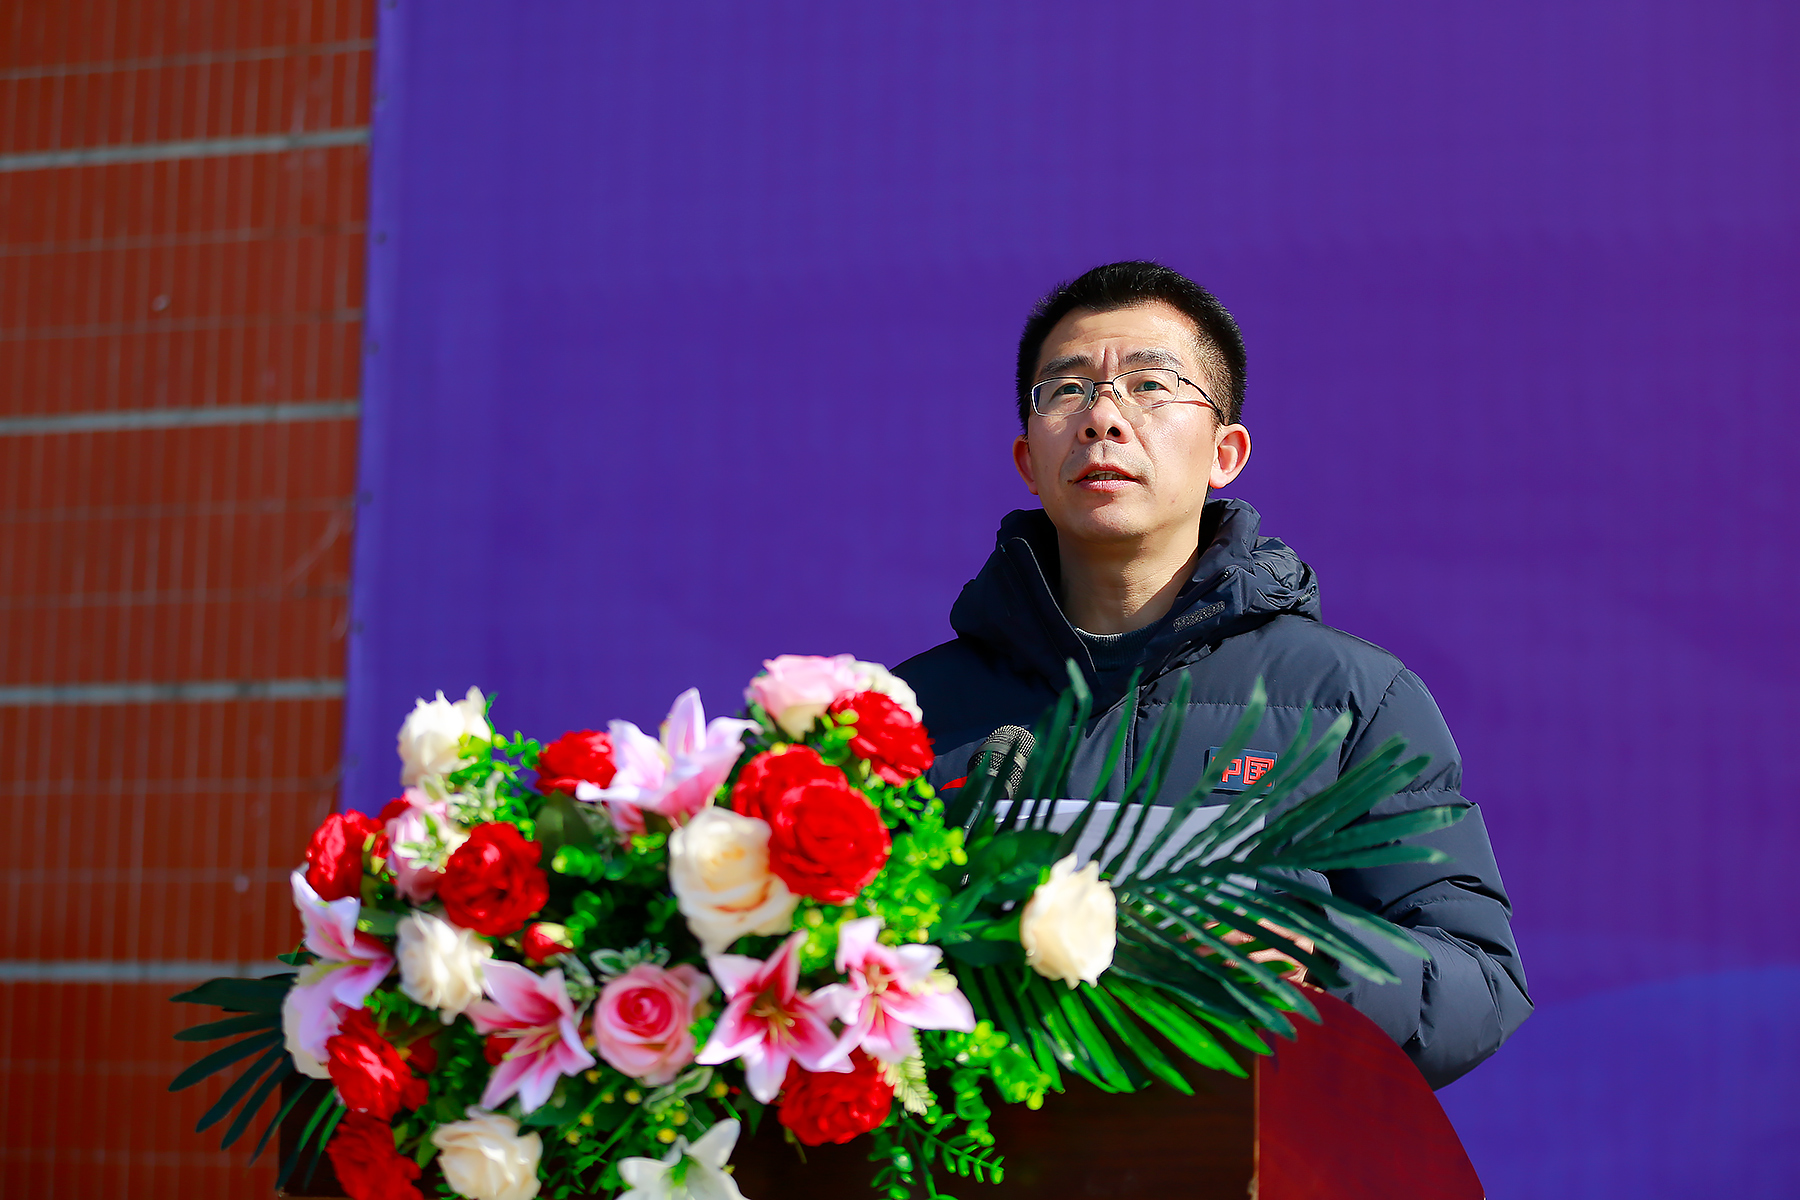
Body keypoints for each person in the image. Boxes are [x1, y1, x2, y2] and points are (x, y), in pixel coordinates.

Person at [894, 261, 1529, 1088]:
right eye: (1068, 390)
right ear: (1027, 459)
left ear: (1225, 452)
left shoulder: (1350, 702)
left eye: (1150, 386)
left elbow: (1480, 983)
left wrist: (1314, 959)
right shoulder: (909, 716)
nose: (1103, 418)